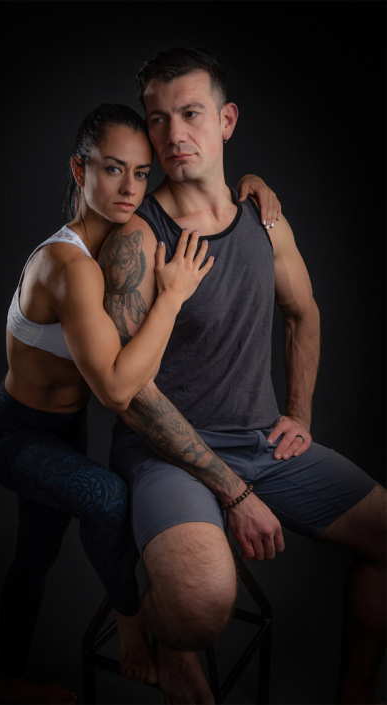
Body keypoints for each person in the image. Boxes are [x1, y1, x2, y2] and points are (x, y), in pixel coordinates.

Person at [98, 49, 387, 705]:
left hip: (260, 441)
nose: (174, 135)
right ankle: (171, 633)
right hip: (164, 455)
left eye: (192, 114)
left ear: (226, 120)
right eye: (158, 119)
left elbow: (303, 312)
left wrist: (301, 416)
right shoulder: (138, 242)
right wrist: (231, 490)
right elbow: (129, 395)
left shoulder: (265, 217)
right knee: (199, 604)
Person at [0, 101, 275, 705]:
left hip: (62, 431)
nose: (130, 188)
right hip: (16, 435)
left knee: (33, 559)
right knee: (107, 498)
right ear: (79, 169)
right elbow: (115, 388)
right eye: (113, 170)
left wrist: (253, 184)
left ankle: (8, 682)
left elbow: (191, 187)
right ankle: (135, 627)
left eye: (141, 173)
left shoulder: (118, 238)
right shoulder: (69, 265)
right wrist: (171, 299)